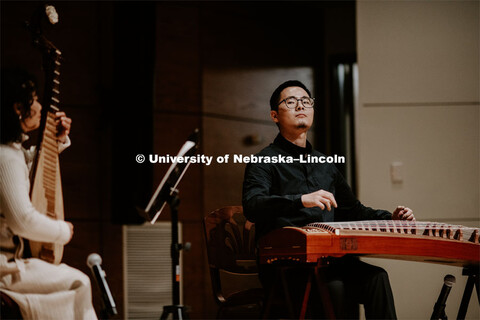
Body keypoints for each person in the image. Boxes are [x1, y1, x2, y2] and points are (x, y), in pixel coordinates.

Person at [242, 80, 415, 319]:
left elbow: (352, 210)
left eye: (306, 101)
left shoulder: (324, 164)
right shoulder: (264, 161)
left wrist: (391, 218)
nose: (300, 105)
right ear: (274, 115)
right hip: (287, 266)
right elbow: (253, 206)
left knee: (376, 278)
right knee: (334, 288)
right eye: (290, 102)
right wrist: (301, 200)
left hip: (329, 262)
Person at [0, 68, 97, 319]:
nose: (41, 107)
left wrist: (57, 141)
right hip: (4, 267)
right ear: (18, 108)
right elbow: (22, 220)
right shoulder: (6, 156)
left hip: (9, 262)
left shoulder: (9, 152)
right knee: (79, 282)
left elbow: (25, 172)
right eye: (34, 100)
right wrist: (63, 231)